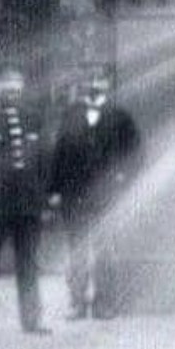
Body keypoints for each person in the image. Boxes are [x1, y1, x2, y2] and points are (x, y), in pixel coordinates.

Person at [48, 68, 140, 319]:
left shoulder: (119, 115)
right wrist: (54, 190)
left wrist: (122, 178)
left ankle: (104, 304)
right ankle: (77, 304)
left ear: (108, 84)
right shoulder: (71, 114)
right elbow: (59, 153)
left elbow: (135, 152)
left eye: (99, 80)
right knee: (76, 250)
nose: (94, 85)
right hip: (73, 195)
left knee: (105, 250)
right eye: (90, 80)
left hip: (106, 195)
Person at [0, 63, 49, 334]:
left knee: (28, 263)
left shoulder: (32, 118)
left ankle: (32, 320)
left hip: (28, 204)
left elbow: (43, 161)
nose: (12, 88)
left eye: (16, 83)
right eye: (6, 83)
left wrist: (44, 197)